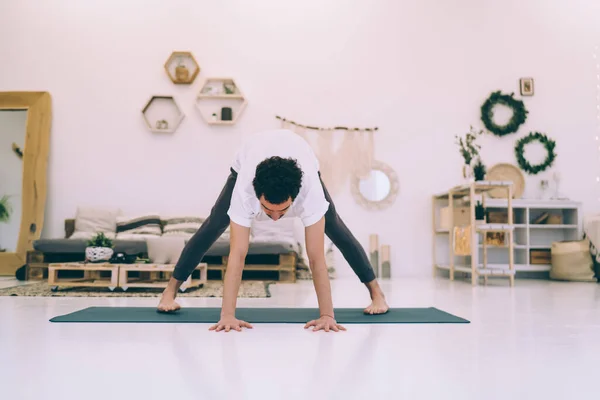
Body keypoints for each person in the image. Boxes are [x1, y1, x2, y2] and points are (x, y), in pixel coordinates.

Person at [157, 129, 389, 332]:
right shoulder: (245, 189)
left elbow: (316, 257)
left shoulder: (309, 191)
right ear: (257, 196)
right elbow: (238, 254)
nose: (276, 218)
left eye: (283, 210)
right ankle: (170, 291)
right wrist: (227, 316)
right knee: (214, 224)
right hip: (248, 161)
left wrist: (327, 316)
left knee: (335, 227)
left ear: (295, 197)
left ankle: (377, 293)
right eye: (268, 211)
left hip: (302, 159)